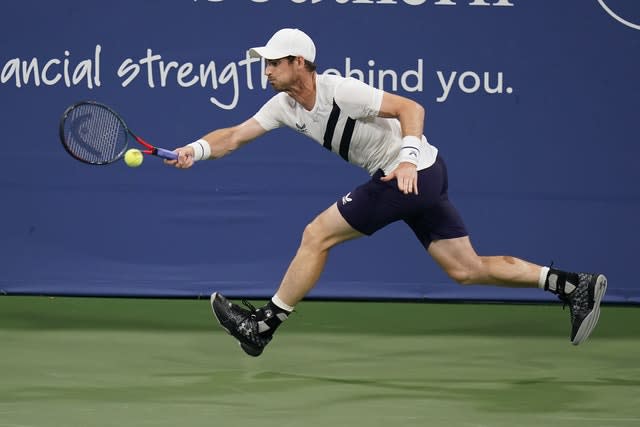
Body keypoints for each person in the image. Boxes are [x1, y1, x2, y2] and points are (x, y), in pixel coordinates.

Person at [166, 28, 607, 357]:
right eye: (264, 63)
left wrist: (408, 159)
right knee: (466, 269)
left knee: (317, 234)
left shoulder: (340, 91)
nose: (266, 70)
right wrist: (195, 150)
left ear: (299, 62)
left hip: (412, 173)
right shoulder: (283, 106)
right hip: (421, 176)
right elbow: (235, 136)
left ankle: (264, 325)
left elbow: (411, 108)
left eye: (274, 62)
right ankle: (571, 285)